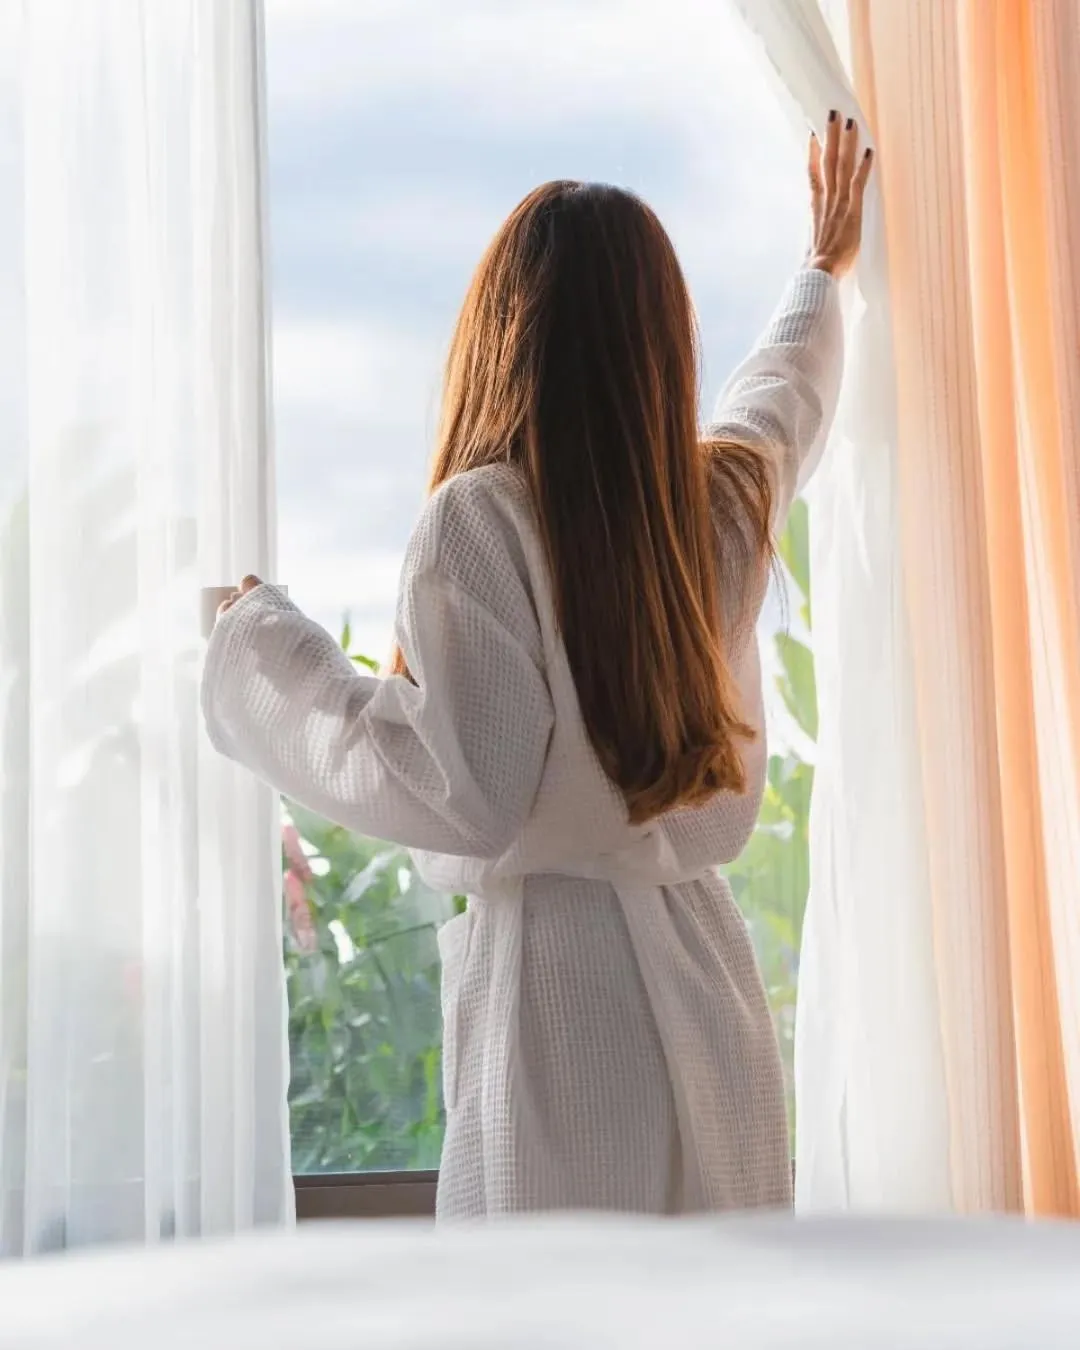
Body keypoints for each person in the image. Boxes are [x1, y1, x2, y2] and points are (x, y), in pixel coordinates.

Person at [204, 113, 872, 1219]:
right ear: (663, 347)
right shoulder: (719, 507)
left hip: (557, 1012)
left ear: (500, 332)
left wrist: (265, 639)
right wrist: (820, 271)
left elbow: (463, 785)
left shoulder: (482, 521)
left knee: (553, 1317)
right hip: (708, 995)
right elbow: (783, 399)